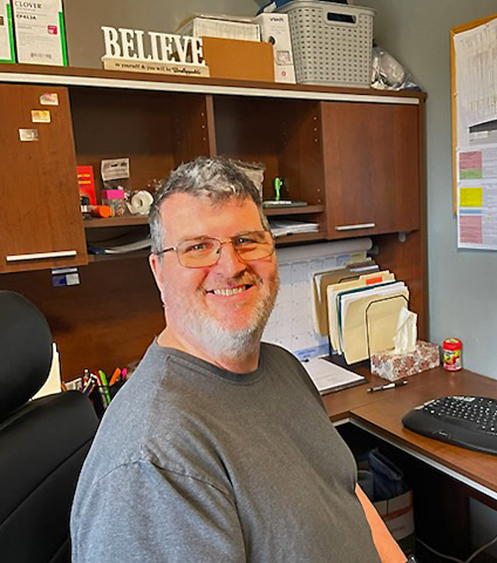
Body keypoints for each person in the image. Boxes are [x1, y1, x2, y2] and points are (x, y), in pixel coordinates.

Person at [70, 157, 406, 563]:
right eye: (198, 248)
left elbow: (342, 489)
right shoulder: (153, 458)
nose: (230, 267)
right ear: (159, 272)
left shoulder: (281, 367)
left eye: (247, 240)